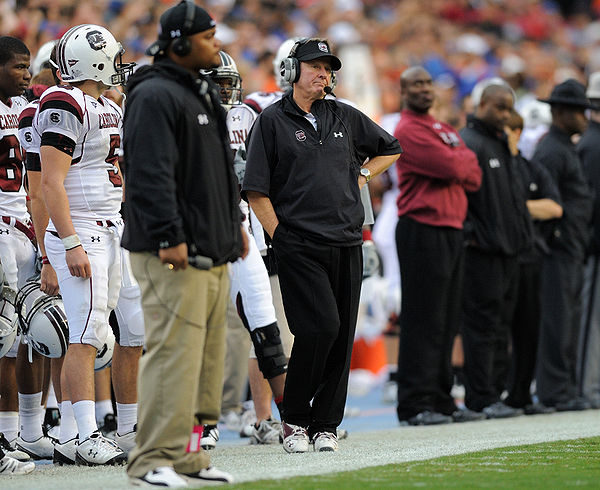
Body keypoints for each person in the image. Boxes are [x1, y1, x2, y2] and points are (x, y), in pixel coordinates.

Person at [243, 38, 402, 453]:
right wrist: (281, 236)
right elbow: (256, 190)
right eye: (315, 66)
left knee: (341, 335)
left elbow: (391, 148)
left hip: (347, 240)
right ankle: (295, 419)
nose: (323, 74)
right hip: (299, 244)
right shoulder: (272, 121)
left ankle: (326, 424)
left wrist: (363, 175)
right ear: (293, 70)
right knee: (319, 328)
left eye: (328, 68)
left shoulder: (345, 115)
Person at [122, 1, 245, 486]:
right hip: (171, 250)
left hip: (211, 247)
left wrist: (232, 224)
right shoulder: (153, 95)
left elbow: (218, 171)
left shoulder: (201, 93)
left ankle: (191, 457)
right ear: (179, 43)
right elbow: (149, 174)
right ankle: (152, 459)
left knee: (207, 361)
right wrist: (170, 235)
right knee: (173, 353)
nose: (217, 44)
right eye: (208, 36)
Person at [37, 24, 135, 466]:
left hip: (109, 227)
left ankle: (75, 434)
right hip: (82, 228)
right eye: (111, 57)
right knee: (83, 334)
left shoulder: (103, 104)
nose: (117, 64)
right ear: (92, 60)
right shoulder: (64, 102)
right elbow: (50, 183)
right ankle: (84, 436)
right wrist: (69, 242)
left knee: (97, 333)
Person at [393, 66, 484, 426]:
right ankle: (415, 403)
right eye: (416, 83)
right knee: (423, 319)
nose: (425, 89)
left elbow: (473, 174)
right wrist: (459, 161)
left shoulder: (442, 128)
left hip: (450, 229)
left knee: (447, 320)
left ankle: (443, 399)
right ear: (403, 91)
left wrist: (459, 162)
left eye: (428, 82)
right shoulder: (407, 130)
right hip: (421, 227)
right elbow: (451, 166)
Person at [208, 51, 288, 447]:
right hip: (204, 230)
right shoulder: (184, 115)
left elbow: (262, 176)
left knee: (265, 325)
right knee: (199, 331)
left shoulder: (246, 116)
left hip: (248, 231)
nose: (226, 90)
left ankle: (278, 419)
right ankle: (199, 421)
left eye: (228, 82)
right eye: (217, 82)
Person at [459, 80, 532, 418]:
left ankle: (495, 394)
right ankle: (480, 397)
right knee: (482, 327)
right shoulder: (469, 142)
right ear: (482, 103)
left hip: (508, 251)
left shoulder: (502, 144)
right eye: (500, 107)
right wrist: (474, 235)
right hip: (482, 252)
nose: (505, 115)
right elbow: (462, 197)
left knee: (501, 326)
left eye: (509, 108)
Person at [0, 35, 56, 463]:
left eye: (26, 67)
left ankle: (29, 430)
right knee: (3, 337)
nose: (24, 74)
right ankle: (5, 432)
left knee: (33, 335)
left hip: (28, 228)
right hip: (1, 229)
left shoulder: (30, 106)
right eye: (16, 67)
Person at [532, 79, 594, 411]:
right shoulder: (551, 150)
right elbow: (543, 200)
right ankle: (555, 392)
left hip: (571, 247)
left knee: (568, 319)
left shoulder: (563, 146)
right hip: (557, 249)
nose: (586, 116)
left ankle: (566, 388)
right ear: (561, 112)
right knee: (557, 320)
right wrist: (554, 239)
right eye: (580, 110)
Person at [503, 110, 562, 415]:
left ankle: (520, 394)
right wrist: (526, 208)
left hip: (530, 255)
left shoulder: (530, 168)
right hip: (499, 254)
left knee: (528, 328)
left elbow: (554, 208)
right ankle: (491, 393)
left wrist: (514, 205)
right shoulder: (494, 165)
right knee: (497, 327)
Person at [577, 71, 600, 409]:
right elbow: (591, 201)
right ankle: (587, 387)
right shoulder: (593, 144)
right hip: (593, 244)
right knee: (590, 320)